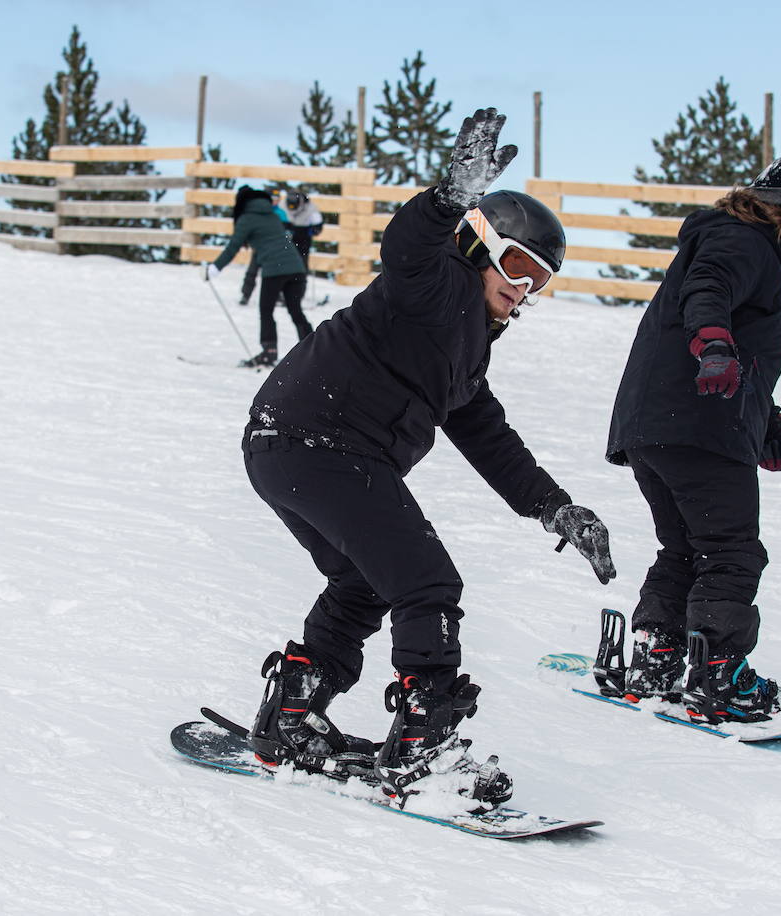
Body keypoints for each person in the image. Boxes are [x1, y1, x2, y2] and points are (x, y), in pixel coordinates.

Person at [239, 108, 616, 812]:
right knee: (426, 583)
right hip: (319, 441)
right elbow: (406, 247)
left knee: (366, 583)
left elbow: (490, 438)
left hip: (285, 445)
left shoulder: (467, 348)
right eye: (517, 265)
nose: (523, 287)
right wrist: (448, 197)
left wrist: (553, 506)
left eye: (541, 279)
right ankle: (425, 750)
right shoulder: (436, 281)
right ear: (478, 246)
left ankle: (292, 715)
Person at [604, 152, 781, 725]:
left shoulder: (730, 240)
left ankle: (660, 653)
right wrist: (714, 346)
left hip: (656, 426)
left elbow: (749, 359)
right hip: (701, 423)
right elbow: (709, 291)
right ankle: (719, 672)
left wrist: (769, 429)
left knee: (684, 548)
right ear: (779, 210)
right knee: (729, 550)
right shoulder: (742, 241)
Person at [205, 186, 310, 367]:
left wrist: (215, 268)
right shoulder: (272, 215)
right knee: (295, 310)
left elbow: (233, 246)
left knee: (266, 310)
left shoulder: (247, 218)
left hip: (275, 270)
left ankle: (269, 352)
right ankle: (313, 349)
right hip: (296, 267)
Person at [235, 189, 291, 307]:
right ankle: (246, 294)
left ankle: (278, 295)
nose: (275, 202)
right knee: (252, 272)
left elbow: (286, 231)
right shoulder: (261, 213)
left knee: (276, 274)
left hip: (276, 251)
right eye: (273, 200)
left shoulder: (281, 214)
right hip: (260, 249)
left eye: (277, 200)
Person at [281, 188, 324, 271]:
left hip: (303, 235)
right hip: (287, 233)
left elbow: (318, 224)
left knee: (301, 262)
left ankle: (301, 278)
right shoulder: (282, 205)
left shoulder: (310, 207)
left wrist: (315, 229)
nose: (292, 209)